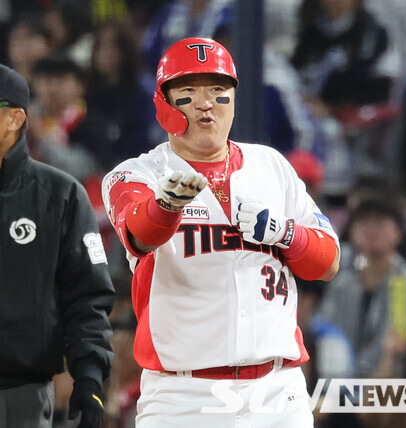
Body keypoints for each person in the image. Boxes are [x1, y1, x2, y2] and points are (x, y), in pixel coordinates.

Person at [101, 37, 340, 427]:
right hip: (184, 396)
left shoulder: (272, 166)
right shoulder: (137, 174)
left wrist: (286, 234)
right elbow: (139, 235)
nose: (205, 102)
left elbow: (328, 261)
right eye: (188, 91)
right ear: (164, 103)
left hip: (278, 391)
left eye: (218, 90)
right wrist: (166, 206)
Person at [0, 64, 115, 427]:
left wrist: (89, 376)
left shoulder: (60, 195)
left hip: (21, 394)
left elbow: (87, 297)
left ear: (15, 118)